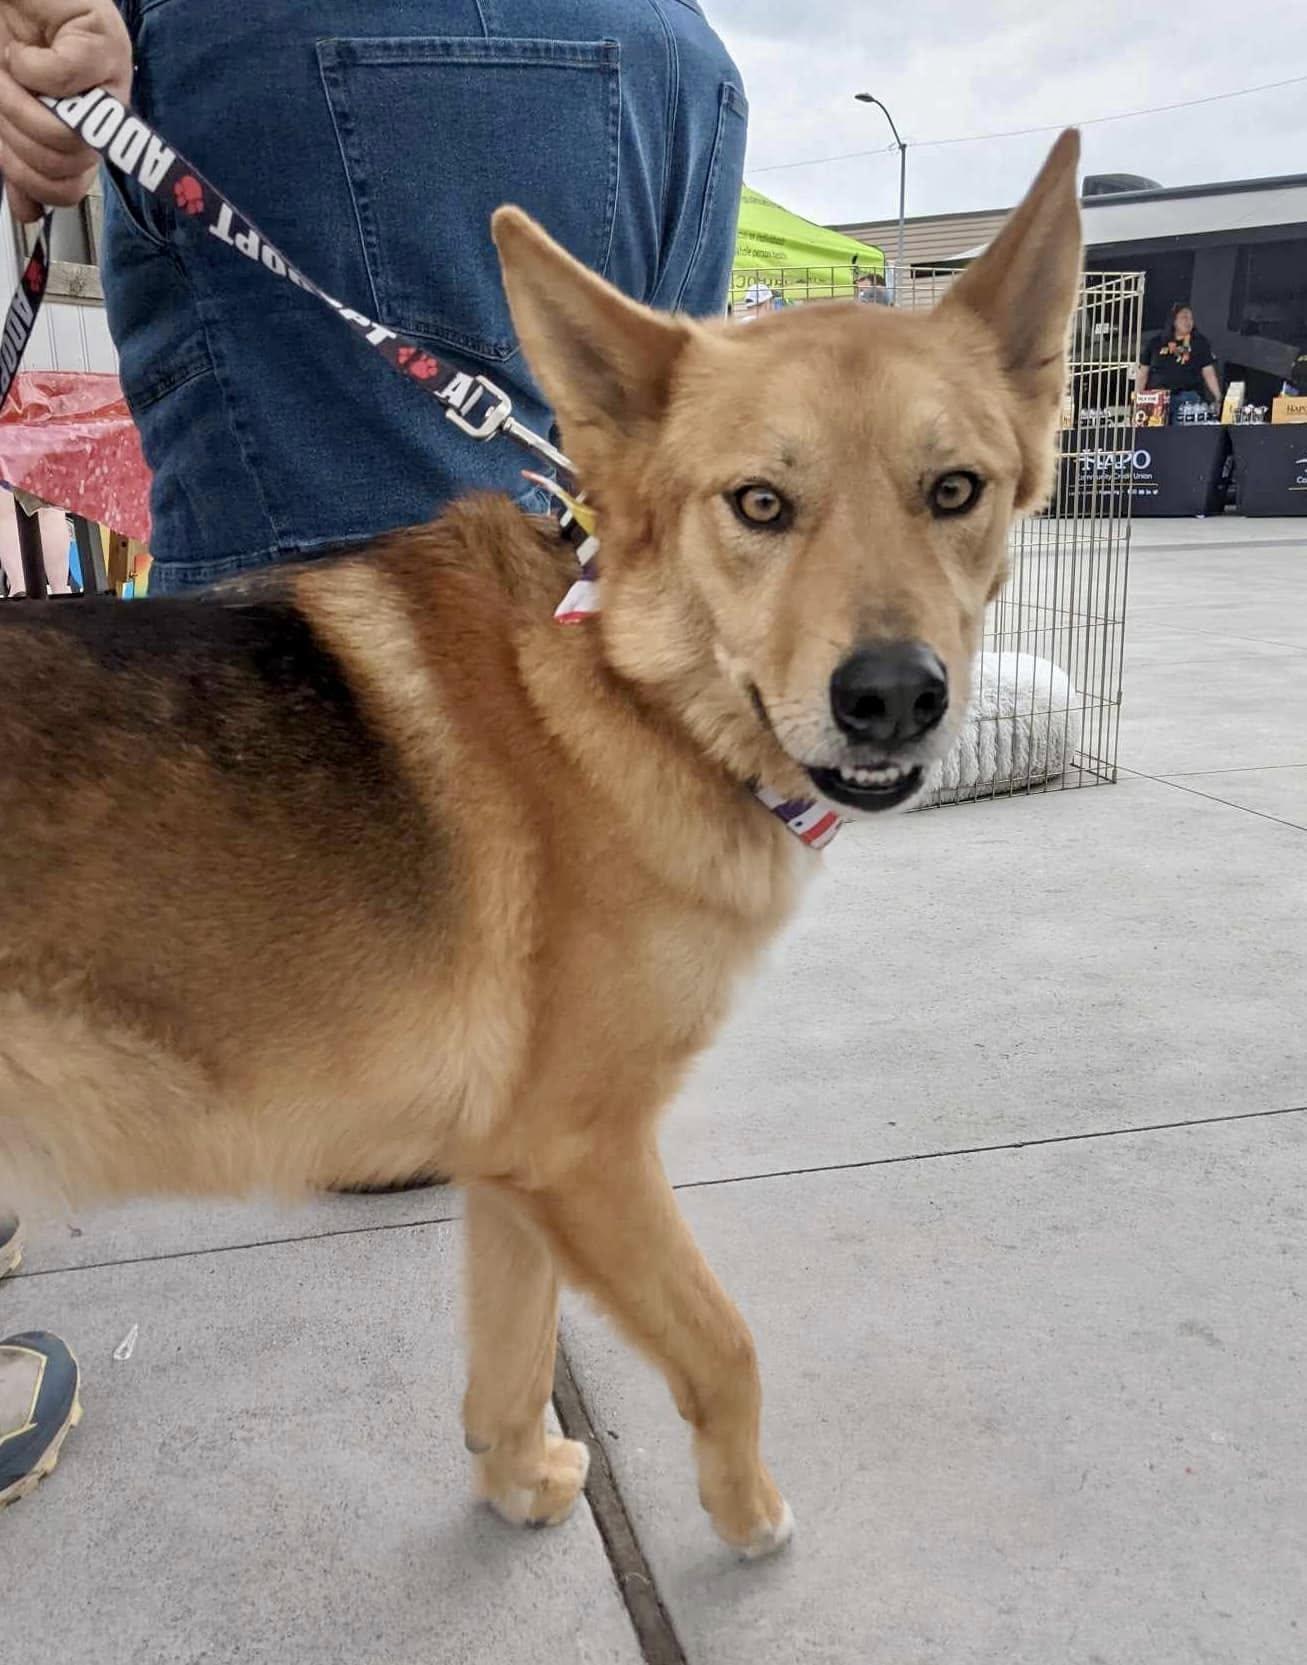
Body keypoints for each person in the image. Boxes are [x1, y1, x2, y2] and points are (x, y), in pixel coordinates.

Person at [0, 0, 746, 1504]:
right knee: (553, 618)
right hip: (659, 55)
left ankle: (420, 1110)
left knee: (318, 719)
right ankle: (499, 1368)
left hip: (277, 43)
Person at [1136, 301, 1222, 421]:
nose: (1188, 321)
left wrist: (1218, 397)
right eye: (1184, 317)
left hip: (1187, 398)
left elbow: (1208, 372)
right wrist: (1138, 399)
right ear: (1174, 321)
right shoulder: (1156, 342)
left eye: (1191, 318)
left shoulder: (1199, 343)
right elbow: (1143, 373)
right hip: (1157, 399)